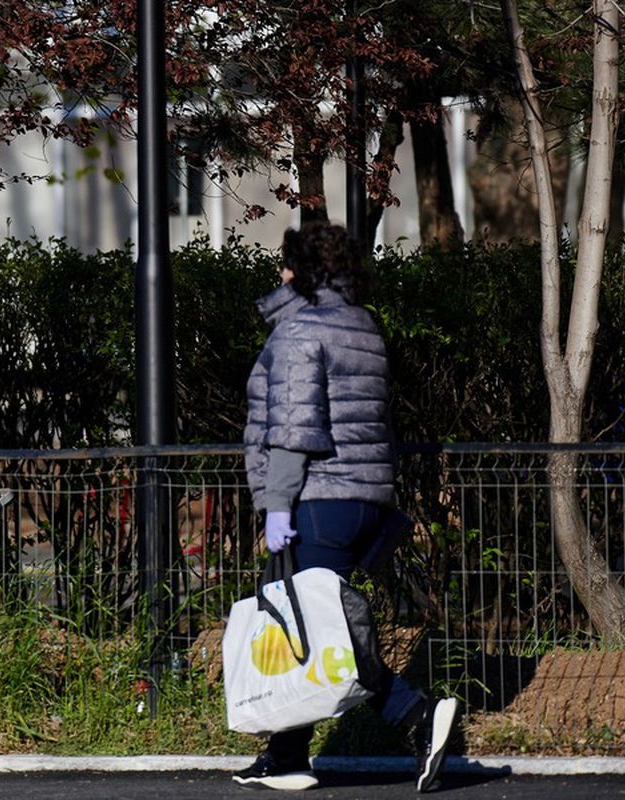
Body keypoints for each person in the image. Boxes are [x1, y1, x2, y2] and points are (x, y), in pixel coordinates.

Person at [236, 222, 457, 792]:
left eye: (286, 265)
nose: (279, 273)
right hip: (367, 500)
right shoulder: (363, 325)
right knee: (299, 623)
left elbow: (292, 430)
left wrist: (277, 506)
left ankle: (416, 716)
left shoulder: (298, 332)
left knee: (315, 630)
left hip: (318, 500)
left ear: (303, 272)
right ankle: (285, 756)